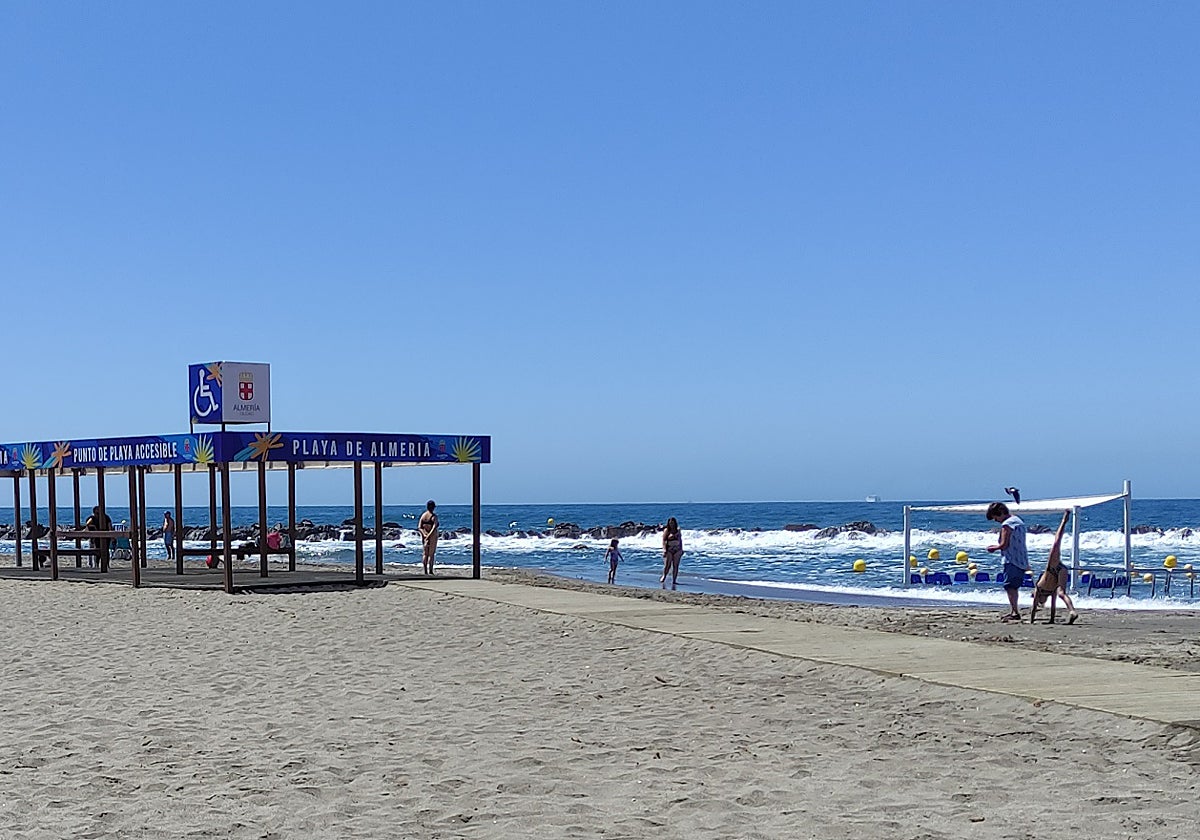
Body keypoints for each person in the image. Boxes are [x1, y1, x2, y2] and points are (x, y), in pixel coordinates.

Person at [1029, 511, 1080, 625]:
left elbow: (1033, 608)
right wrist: (1051, 620)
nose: (1039, 602)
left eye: (1039, 602)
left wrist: (1031, 621)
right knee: (1061, 593)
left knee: (1056, 543)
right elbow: (1053, 607)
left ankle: (1064, 521)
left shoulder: (1039, 589)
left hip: (1051, 568)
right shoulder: (1049, 592)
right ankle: (1072, 611)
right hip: (1060, 570)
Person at [986, 501, 1029, 622]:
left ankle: (1015, 611)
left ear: (1000, 513)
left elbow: (1004, 545)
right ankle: (1015, 611)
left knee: (1010, 587)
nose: (996, 521)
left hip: (1011, 559)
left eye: (995, 518)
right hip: (1021, 558)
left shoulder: (1007, 525)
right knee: (1015, 585)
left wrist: (993, 548)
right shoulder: (1018, 521)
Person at [660, 517, 683, 588]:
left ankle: (674, 580)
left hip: (677, 549)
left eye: (672, 523)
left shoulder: (678, 530)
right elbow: (664, 541)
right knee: (668, 565)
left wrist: (681, 549)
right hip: (669, 549)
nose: (671, 524)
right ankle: (664, 576)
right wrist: (664, 550)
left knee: (676, 565)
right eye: (670, 523)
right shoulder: (667, 530)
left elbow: (680, 540)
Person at [418, 500, 439, 575]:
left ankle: (425, 570)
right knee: (431, 554)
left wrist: (424, 535)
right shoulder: (433, 516)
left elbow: (419, 527)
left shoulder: (423, 516)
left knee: (425, 553)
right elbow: (434, 527)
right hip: (432, 536)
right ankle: (430, 570)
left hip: (424, 536)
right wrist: (429, 535)